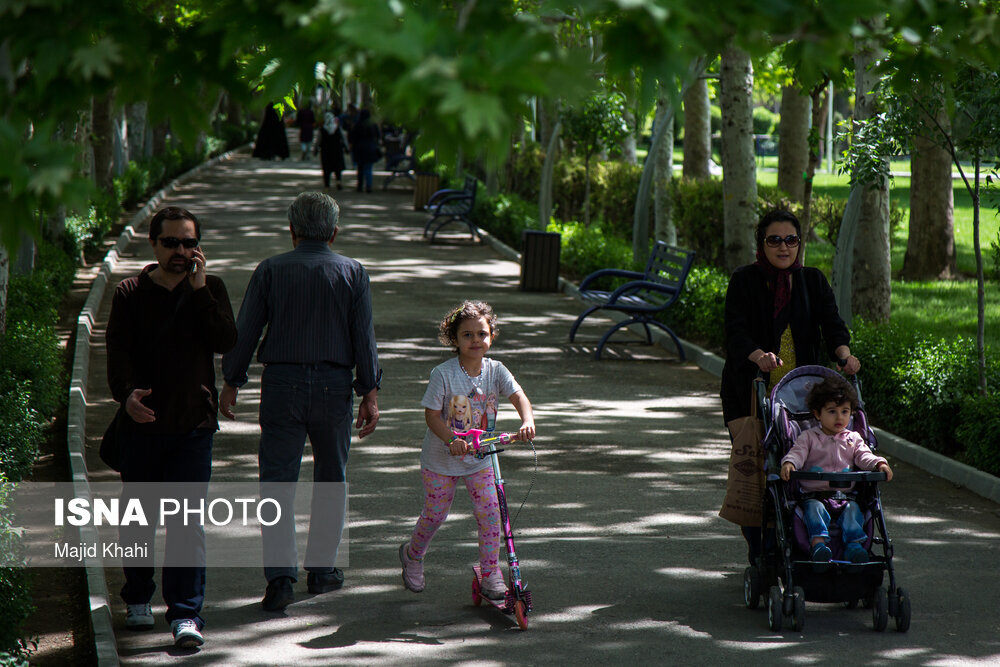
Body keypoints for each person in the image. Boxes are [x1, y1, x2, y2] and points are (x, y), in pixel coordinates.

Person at [219, 191, 381, 612]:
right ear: (334, 231)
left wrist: (232, 381)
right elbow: (363, 338)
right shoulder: (353, 272)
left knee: (276, 483)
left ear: (291, 231)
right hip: (334, 386)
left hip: (282, 385)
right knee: (332, 478)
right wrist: (370, 392)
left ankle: (280, 582)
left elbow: (247, 328)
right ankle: (323, 571)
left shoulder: (271, 270)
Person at [105, 206, 237, 648]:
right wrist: (126, 397)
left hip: (193, 428)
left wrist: (200, 291)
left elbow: (225, 342)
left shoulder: (211, 287)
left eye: (189, 242)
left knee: (186, 524)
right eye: (172, 242)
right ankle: (138, 598)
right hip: (141, 428)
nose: (181, 251)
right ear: (154, 244)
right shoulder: (129, 291)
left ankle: (185, 615)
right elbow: (117, 356)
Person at [720, 208, 861, 562]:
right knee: (760, 474)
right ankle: (763, 552)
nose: (784, 247)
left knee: (805, 476)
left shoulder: (811, 281)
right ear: (761, 244)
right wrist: (758, 357)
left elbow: (832, 325)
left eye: (791, 240)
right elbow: (734, 331)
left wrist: (844, 355)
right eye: (774, 240)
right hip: (751, 394)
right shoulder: (744, 280)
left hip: (802, 400)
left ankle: (808, 541)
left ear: (799, 243)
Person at [398, 301, 535, 599]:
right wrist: (451, 440)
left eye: (482, 334)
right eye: (468, 335)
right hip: (440, 460)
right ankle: (413, 555)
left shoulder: (496, 370)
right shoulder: (443, 374)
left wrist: (527, 420)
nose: (476, 341)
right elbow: (432, 415)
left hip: (480, 459)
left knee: (490, 513)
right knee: (434, 515)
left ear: (491, 337)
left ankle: (490, 573)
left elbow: (519, 395)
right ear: (455, 339)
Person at [780, 376, 893, 563]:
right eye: (832, 411)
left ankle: (854, 547)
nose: (839, 417)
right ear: (817, 414)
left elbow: (864, 456)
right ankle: (818, 545)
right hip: (814, 495)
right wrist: (790, 463)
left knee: (853, 512)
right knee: (814, 511)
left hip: (845, 496)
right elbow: (797, 453)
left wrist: (878, 464)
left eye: (844, 411)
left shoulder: (854, 438)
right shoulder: (809, 437)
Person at [348, 108, 381, 193]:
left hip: (359, 149)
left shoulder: (357, 125)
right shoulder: (372, 125)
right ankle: (368, 186)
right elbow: (378, 136)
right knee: (368, 169)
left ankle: (360, 186)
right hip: (370, 148)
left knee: (360, 169)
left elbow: (352, 137)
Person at [316, 107, 348, 190]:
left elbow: (318, 140)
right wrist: (346, 148)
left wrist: (315, 149)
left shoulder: (322, 129)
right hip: (337, 150)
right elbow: (343, 138)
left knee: (326, 168)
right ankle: (338, 181)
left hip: (326, 151)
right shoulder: (337, 128)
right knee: (337, 167)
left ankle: (327, 184)